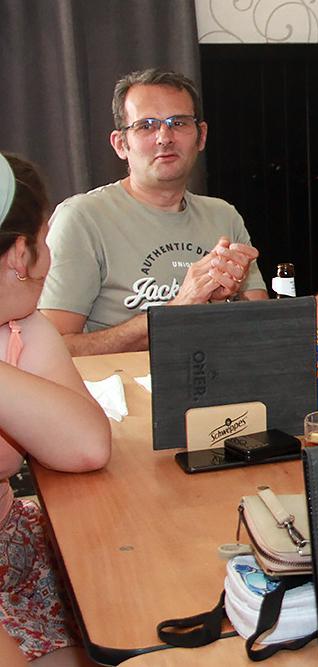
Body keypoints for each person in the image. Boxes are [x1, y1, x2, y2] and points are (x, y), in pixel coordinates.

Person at [39, 68, 318, 356]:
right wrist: (178, 309)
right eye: (146, 126)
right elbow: (56, 347)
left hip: (223, 371)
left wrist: (229, 300)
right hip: (131, 388)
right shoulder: (81, 218)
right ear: (121, 143)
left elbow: (261, 324)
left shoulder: (222, 215)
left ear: (201, 136)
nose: (164, 137)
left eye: (178, 123)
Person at [0, 153, 112, 660]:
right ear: (19, 255)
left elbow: (87, 445)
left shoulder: (21, 326)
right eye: (45, 240)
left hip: (14, 551)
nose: (49, 259)